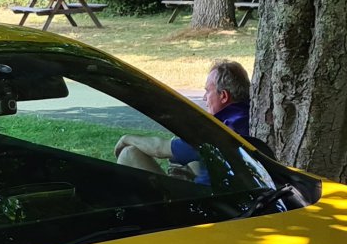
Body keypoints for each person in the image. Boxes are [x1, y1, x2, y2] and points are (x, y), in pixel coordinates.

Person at [114, 59, 274, 183]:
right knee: (190, 163)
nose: (204, 98)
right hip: (235, 199)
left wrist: (125, 139)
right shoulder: (249, 117)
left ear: (224, 96)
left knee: (130, 153)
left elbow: (160, 148)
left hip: (204, 209)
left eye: (207, 91)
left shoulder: (220, 129)